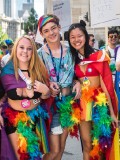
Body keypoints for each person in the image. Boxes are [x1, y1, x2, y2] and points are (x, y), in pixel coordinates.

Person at [67, 20, 119, 160]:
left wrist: (113, 113)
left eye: (79, 36)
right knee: (86, 144)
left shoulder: (98, 56)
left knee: (100, 145)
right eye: (72, 37)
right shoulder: (71, 59)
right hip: (82, 104)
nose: (76, 40)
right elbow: (71, 78)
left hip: (99, 105)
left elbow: (106, 86)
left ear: (85, 36)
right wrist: (76, 81)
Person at [0, 35, 51, 160]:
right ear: (15, 49)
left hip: (35, 118)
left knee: (36, 156)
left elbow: (45, 95)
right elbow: (6, 94)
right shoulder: (8, 70)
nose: (25, 51)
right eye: (21, 47)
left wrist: (46, 90)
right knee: (22, 157)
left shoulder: (39, 69)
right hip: (15, 119)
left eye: (29, 48)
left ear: (33, 51)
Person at [37, 14, 81, 160]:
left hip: (67, 104)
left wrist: (77, 82)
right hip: (50, 105)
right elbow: (34, 79)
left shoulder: (71, 51)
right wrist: (48, 84)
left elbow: (77, 73)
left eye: (53, 28)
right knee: (53, 150)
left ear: (59, 28)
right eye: (46, 31)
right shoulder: (39, 55)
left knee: (61, 148)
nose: (51, 33)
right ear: (42, 34)